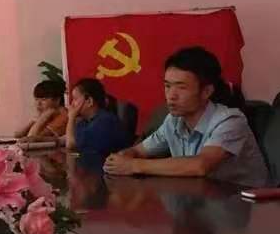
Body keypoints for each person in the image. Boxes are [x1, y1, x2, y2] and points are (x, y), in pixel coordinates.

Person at [103, 46, 269, 187]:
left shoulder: (230, 120)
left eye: (181, 87)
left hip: (247, 207)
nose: (171, 96)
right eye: (167, 86)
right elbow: (138, 151)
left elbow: (200, 165)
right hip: (201, 203)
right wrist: (121, 159)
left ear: (206, 91)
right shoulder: (173, 121)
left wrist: (133, 165)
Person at [64, 78, 131, 159]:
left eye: (75, 99)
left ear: (89, 101)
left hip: (105, 165)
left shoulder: (105, 121)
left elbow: (71, 146)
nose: (72, 104)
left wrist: (71, 117)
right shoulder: (85, 122)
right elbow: (74, 140)